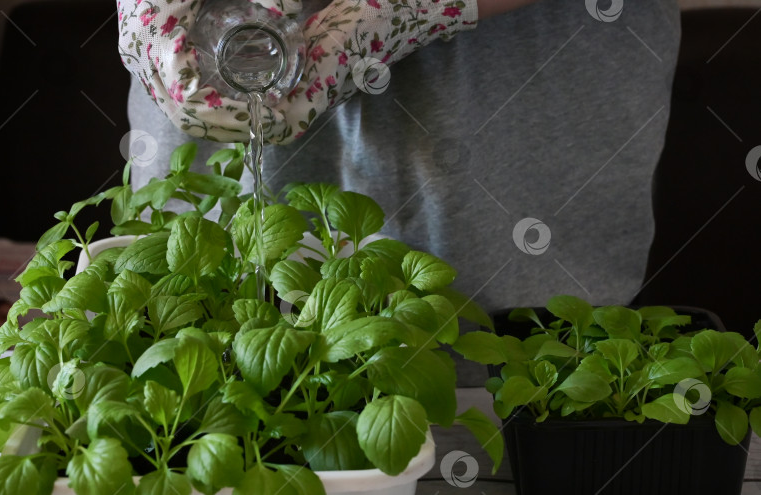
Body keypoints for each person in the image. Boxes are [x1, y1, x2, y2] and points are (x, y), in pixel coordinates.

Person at [119, 0, 681, 362]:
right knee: (201, 337)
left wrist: (410, 7)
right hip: (226, 47)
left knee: (509, 384)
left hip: (505, 103)